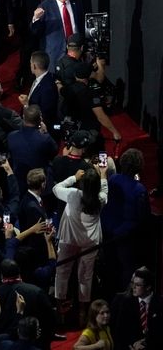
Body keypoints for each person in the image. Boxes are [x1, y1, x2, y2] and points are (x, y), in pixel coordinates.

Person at [53, 167, 107, 320]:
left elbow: (56, 188)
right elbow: (105, 190)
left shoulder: (73, 194)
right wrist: (103, 175)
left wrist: (74, 178)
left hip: (69, 239)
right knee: (85, 276)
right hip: (90, 242)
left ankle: (59, 310)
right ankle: (83, 312)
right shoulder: (101, 199)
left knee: (62, 273)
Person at [102, 148, 151, 293]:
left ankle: (108, 292)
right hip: (126, 235)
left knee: (110, 264)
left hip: (108, 229)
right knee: (126, 267)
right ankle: (125, 297)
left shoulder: (113, 179)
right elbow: (143, 216)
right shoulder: (139, 189)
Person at [31, 0, 85, 71]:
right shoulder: (45, 6)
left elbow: (81, 24)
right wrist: (36, 18)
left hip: (75, 51)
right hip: (55, 53)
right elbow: (35, 32)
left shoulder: (76, 2)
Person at [110, 267, 163, 350]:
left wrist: (146, 343)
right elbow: (120, 331)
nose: (133, 287)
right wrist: (132, 345)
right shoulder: (126, 303)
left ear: (148, 287)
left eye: (137, 285)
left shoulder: (160, 303)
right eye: (133, 284)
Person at [18, 51, 59, 127]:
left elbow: (44, 114)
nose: (30, 65)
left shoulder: (48, 88)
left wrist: (26, 104)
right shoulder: (41, 78)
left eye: (30, 63)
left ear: (34, 66)